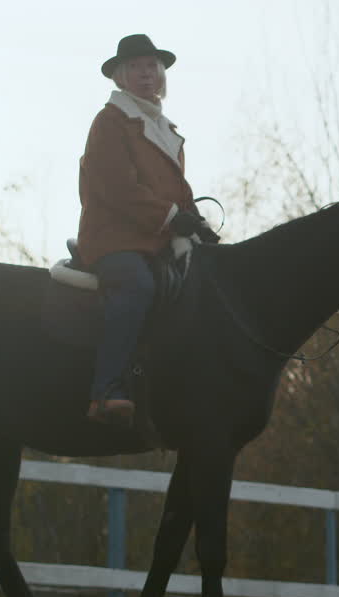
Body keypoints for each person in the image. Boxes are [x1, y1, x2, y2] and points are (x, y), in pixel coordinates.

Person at [77, 34, 220, 424]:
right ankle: (104, 391)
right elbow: (118, 188)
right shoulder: (109, 121)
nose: (147, 73)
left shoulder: (165, 128)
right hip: (114, 238)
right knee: (136, 286)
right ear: (121, 77)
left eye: (152, 66)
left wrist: (196, 223)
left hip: (157, 238)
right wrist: (174, 216)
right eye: (137, 67)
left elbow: (175, 191)